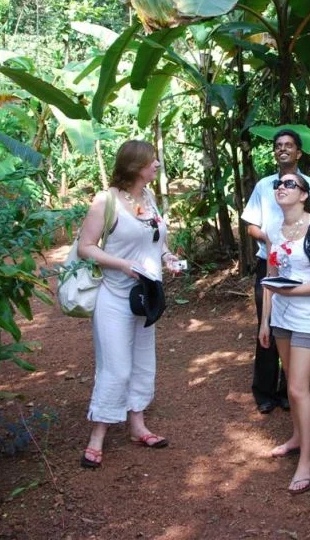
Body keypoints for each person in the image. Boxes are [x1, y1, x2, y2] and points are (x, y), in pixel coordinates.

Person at [76, 140, 182, 468]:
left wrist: (168, 257)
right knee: (116, 367)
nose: (157, 165)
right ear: (135, 166)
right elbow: (85, 247)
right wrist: (122, 264)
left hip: (146, 296)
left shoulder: (149, 198)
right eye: (152, 161)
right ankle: (97, 435)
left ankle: (138, 425)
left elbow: (157, 243)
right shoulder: (106, 200)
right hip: (114, 295)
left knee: (142, 362)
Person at [241, 129, 310, 414]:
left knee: (297, 327)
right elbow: (251, 225)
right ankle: (264, 392)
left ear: (299, 152)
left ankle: (288, 391)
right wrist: (273, 238)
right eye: (278, 145)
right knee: (268, 324)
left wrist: (294, 242)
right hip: (270, 263)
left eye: (289, 145)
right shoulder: (265, 186)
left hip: (303, 267)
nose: (283, 149)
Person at [258, 173, 310, 494]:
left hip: (308, 318)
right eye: (278, 184)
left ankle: (307, 462)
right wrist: (265, 321)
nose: (281, 187)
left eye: (290, 184)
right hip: (281, 318)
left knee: (299, 388)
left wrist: (291, 291)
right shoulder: (273, 230)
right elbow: (269, 277)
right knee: (290, 382)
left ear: (304, 194)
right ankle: (297, 436)